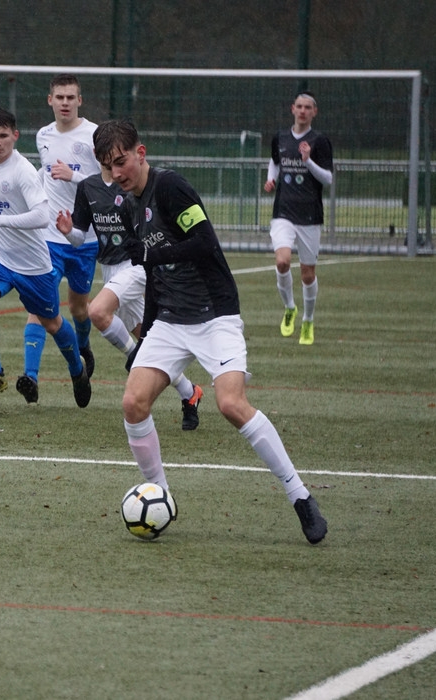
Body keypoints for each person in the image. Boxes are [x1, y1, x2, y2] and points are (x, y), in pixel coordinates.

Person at [93, 119, 327, 544]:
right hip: (169, 318)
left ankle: (300, 496)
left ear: (140, 153)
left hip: (215, 314)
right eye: (108, 168)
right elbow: (151, 268)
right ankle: (160, 493)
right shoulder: (128, 205)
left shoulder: (171, 187)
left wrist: (155, 251)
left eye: (121, 162)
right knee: (133, 402)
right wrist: (146, 331)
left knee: (231, 404)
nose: (117, 174)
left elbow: (203, 242)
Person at [56, 165, 204, 431]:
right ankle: (190, 392)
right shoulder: (87, 187)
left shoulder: (130, 185)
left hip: (136, 265)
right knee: (153, 347)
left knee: (98, 312)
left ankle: (134, 354)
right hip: (110, 269)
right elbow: (79, 238)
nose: (112, 161)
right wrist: (67, 231)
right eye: (106, 154)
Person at [0, 108, 91, 408]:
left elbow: (40, 217)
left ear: (15, 136)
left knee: (52, 323)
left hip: (33, 264)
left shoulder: (23, 171)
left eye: (3, 136)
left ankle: (77, 370)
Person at [16, 74, 102, 405]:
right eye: (59, 97)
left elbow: (105, 183)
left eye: (71, 97)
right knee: (38, 306)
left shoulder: (94, 135)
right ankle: (31, 377)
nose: (65, 102)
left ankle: (82, 347)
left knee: (79, 307)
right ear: (49, 100)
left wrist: (74, 175)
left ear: (79, 100)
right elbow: (44, 176)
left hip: (83, 237)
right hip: (48, 238)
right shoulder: (43, 136)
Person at [264, 91, 334, 346]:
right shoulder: (280, 138)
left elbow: (328, 178)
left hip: (310, 216)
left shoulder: (320, 141)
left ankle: (308, 320)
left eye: (308, 107)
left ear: (314, 112)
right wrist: (271, 178)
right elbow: (274, 162)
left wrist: (308, 161)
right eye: (300, 106)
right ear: (292, 109)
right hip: (283, 212)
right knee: (282, 262)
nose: (303, 111)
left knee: (307, 274)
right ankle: (290, 308)